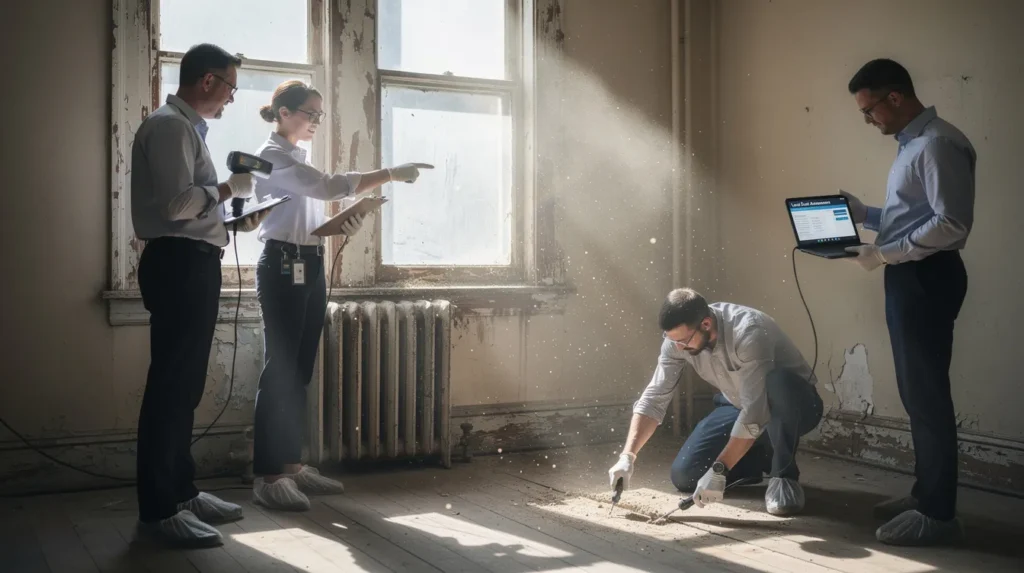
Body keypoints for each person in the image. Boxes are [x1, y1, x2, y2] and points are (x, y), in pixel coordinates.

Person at [248, 80, 432, 511]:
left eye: (320, 114)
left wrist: (344, 223)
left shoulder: (298, 157)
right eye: (310, 113)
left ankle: (291, 466)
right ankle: (269, 477)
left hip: (308, 262)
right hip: (282, 266)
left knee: (299, 369)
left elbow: (311, 213)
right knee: (280, 370)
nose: (316, 121)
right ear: (283, 114)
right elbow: (329, 186)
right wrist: (389, 173)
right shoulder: (271, 156)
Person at [131, 43, 269, 548]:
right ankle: (159, 510)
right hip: (179, 265)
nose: (232, 98)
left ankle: (182, 492)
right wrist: (229, 189)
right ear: (208, 80)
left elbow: (188, 210)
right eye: (230, 87)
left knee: (185, 386)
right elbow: (175, 207)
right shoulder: (171, 126)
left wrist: (229, 221)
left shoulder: (185, 129)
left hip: (190, 261)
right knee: (171, 387)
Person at [841, 58, 975, 546]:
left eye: (869, 110)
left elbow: (951, 223)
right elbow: (915, 217)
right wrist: (866, 215)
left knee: (927, 394)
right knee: (917, 392)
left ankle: (938, 515)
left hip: (926, 277)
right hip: (911, 275)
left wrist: (882, 254)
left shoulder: (937, 143)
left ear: (895, 97)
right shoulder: (913, 145)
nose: (868, 119)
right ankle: (926, 496)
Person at [608, 288, 823, 516]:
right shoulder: (677, 341)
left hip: (794, 406)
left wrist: (719, 470)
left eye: (683, 340)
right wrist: (627, 456)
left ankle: (783, 475)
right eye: (672, 340)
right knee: (686, 475)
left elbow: (755, 412)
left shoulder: (749, 332)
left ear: (706, 324)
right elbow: (654, 397)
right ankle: (759, 457)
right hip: (738, 404)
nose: (678, 347)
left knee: (778, 383)